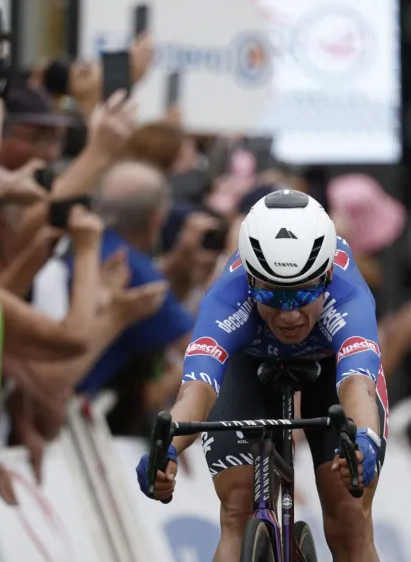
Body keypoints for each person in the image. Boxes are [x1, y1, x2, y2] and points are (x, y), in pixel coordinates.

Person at [135, 189, 388, 561]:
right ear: (251, 280)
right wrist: (167, 447)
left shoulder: (349, 295)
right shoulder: (227, 297)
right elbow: (197, 391)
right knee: (237, 509)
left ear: (328, 275)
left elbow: (357, 385)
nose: (289, 315)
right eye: (274, 294)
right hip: (248, 362)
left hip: (332, 366)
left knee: (349, 518)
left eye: (303, 294)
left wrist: (366, 440)